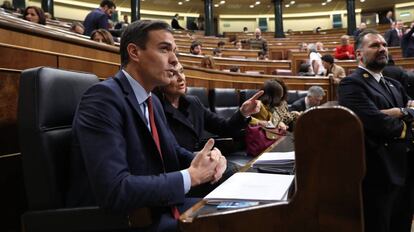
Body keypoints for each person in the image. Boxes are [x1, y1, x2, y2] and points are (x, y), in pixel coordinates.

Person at [66, 20, 227, 231]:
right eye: (164, 49)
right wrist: (191, 176)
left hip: (156, 208)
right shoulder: (102, 99)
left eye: (175, 51)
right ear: (134, 52)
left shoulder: (153, 102)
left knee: (243, 210)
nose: (174, 60)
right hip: (125, 220)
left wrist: (207, 161)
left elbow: (171, 152)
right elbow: (115, 190)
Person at [338, 29, 413, 232]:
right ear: (359, 54)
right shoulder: (351, 84)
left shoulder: (393, 84)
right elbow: (377, 123)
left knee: (402, 225)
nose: (382, 49)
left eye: (384, 45)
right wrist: (406, 118)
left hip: (405, 171)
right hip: (379, 174)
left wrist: (400, 111)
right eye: (374, 45)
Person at [156, 61, 261, 153]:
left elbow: (224, 127)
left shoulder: (193, 102)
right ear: (160, 81)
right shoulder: (156, 109)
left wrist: (243, 112)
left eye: (182, 71)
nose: (181, 78)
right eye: (173, 74)